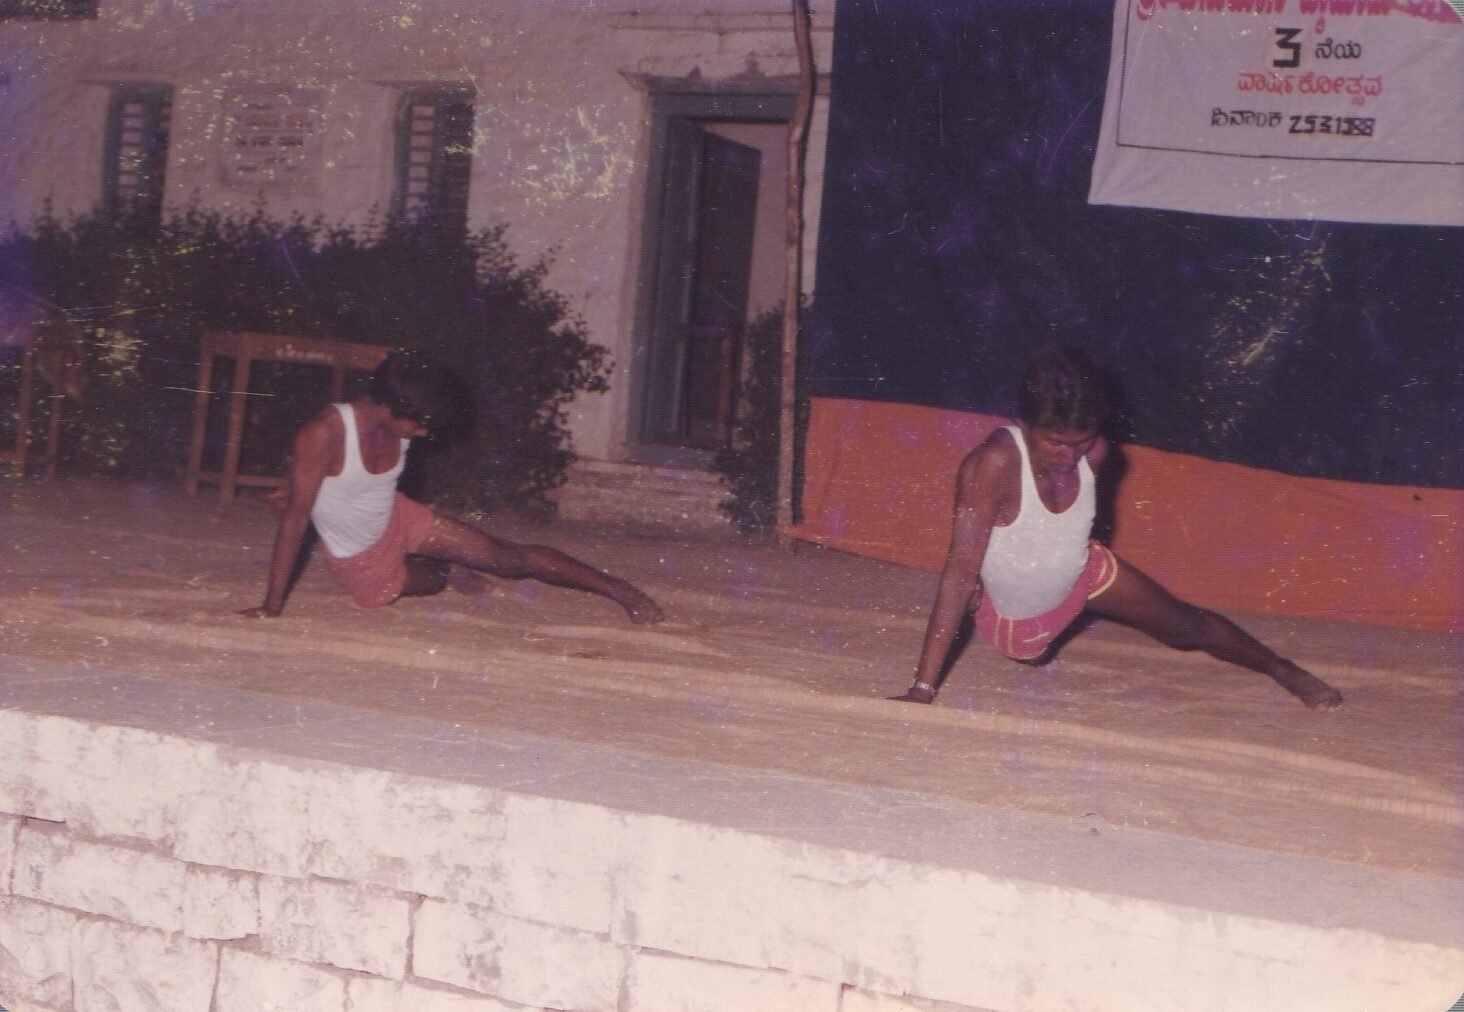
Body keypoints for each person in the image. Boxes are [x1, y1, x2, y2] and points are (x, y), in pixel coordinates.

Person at [890, 346, 1342, 709]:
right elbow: (958, 572)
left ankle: (1280, 667)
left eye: (1082, 441)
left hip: (1085, 571)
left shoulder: (1098, 452)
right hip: (1021, 615)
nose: (1070, 456)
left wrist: (1074, 563)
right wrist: (922, 688)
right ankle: (989, 605)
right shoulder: (992, 464)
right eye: (1055, 442)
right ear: (1025, 423)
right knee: (1031, 653)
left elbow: (1071, 524)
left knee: (1185, 626)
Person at [240, 351, 664, 624]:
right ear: (389, 409)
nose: (424, 434)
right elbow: (294, 523)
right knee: (432, 580)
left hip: (398, 517)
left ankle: (617, 589)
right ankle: (447, 568)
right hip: (360, 561)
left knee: (507, 559)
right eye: (420, 425)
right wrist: (271, 606)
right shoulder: (322, 434)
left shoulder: (399, 406)